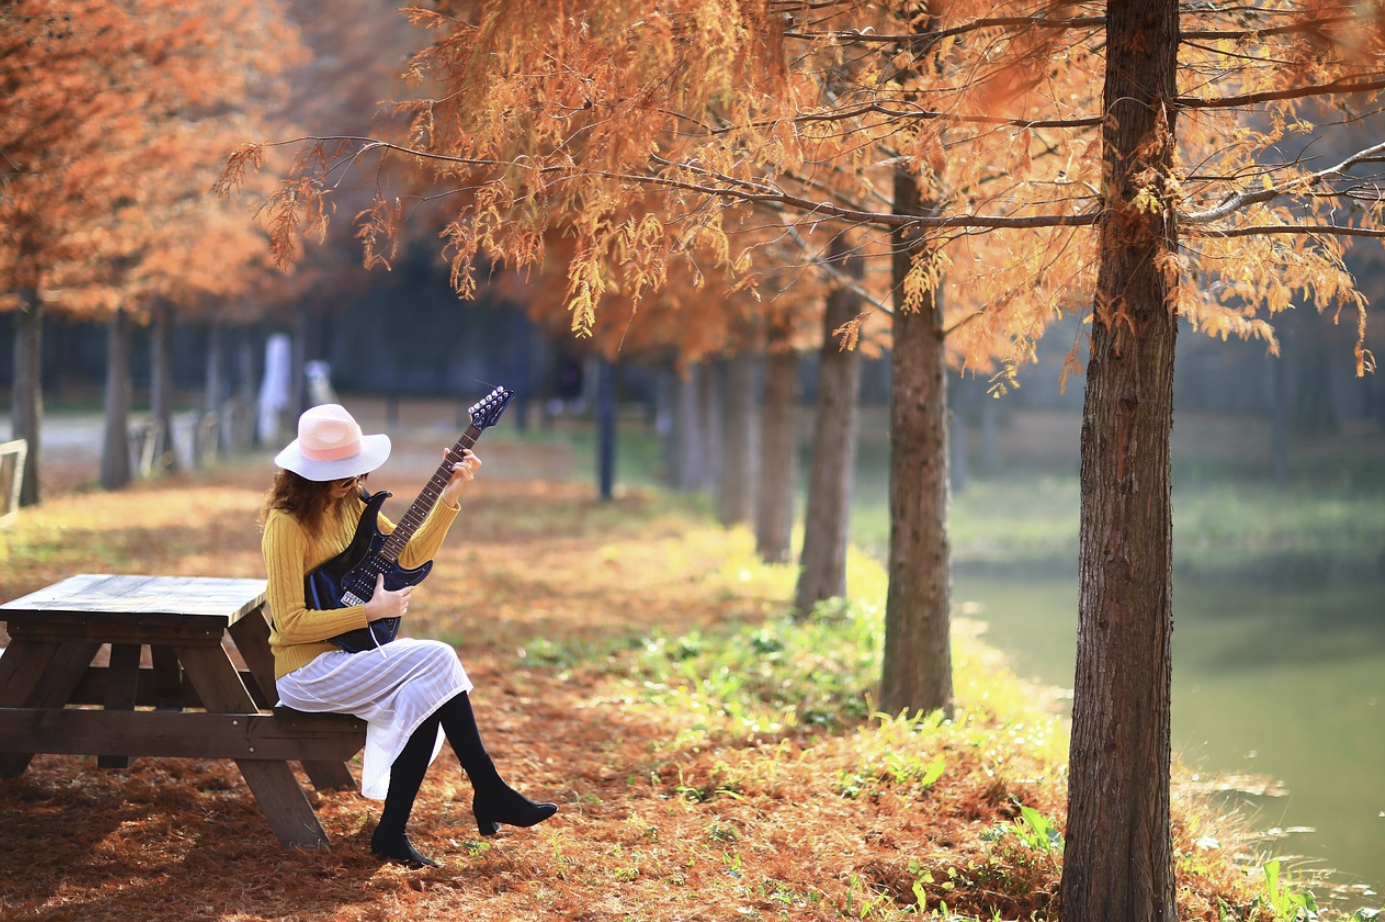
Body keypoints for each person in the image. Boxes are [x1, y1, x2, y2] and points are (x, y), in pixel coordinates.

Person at [260, 402, 557, 868]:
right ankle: (489, 789)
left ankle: (392, 833)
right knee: (437, 659)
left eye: (356, 471)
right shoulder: (287, 524)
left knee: (427, 691)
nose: (352, 481)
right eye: (339, 474)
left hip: (350, 659)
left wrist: (450, 498)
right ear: (307, 475)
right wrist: (370, 613)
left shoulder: (355, 505)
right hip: (307, 673)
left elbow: (410, 553)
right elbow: (290, 622)